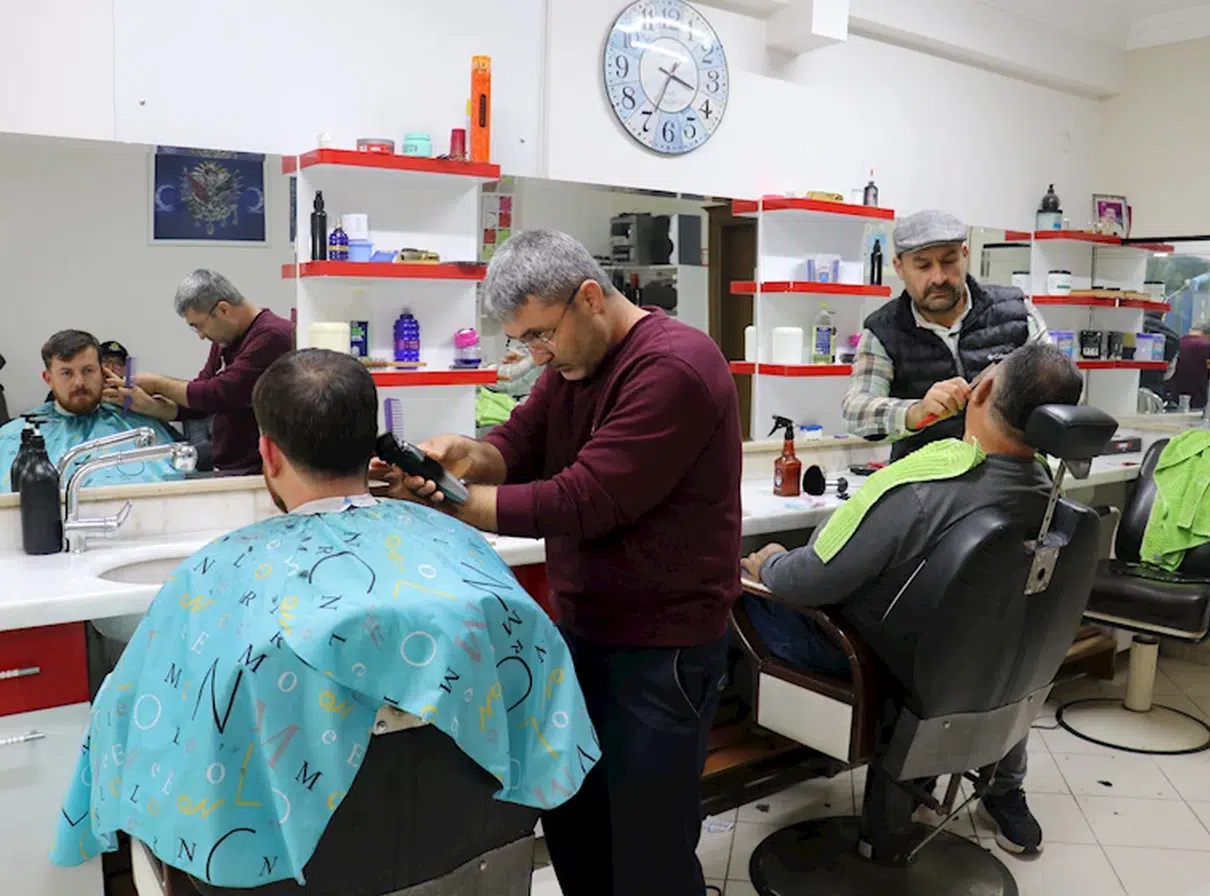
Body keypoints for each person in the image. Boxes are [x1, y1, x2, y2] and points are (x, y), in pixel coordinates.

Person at [51, 349, 596, 888]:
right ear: (372, 443)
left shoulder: (212, 574)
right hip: (466, 846)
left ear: (268, 454)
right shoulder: (456, 545)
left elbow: (134, 719)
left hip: (284, 873)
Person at [382, 230, 743, 896]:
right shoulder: (571, 365)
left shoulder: (675, 366)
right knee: (576, 825)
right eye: (523, 342)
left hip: (662, 650)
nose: (536, 355)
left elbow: (585, 499)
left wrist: (457, 504)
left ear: (589, 298)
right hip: (582, 633)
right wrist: (463, 457)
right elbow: (516, 444)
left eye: (541, 335)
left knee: (649, 852)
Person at [742, 343, 1084, 857]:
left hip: (878, 669)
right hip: (985, 673)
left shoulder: (925, 493)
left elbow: (808, 582)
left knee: (734, 597)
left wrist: (767, 564)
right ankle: (999, 786)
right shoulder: (1052, 500)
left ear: (983, 391)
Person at [843, 210, 1054, 461]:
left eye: (949, 261)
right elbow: (856, 411)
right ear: (899, 267)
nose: (939, 277)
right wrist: (916, 412)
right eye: (923, 265)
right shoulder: (883, 331)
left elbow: (1061, 385)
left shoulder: (1017, 313)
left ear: (965, 254)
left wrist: (1013, 394)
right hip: (925, 478)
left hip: (1012, 471)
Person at [105, 269, 292, 474]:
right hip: (231, 466)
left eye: (199, 326)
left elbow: (218, 393)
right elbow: (199, 400)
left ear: (223, 309)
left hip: (261, 470)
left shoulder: (273, 336)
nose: (201, 335)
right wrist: (150, 405)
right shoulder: (225, 340)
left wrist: (157, 384)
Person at [0, 330, 180, 489]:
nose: (79, 382)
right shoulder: (12, 434)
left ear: (102, 373)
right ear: (48, 379)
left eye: (88, 371)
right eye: (66, 373)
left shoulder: (138, 423)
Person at [1166, 320, 1210, 410]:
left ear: (1190, 330)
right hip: (1197, 399)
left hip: (1171, 396)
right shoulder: (1208, 347)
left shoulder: (1176, 342)